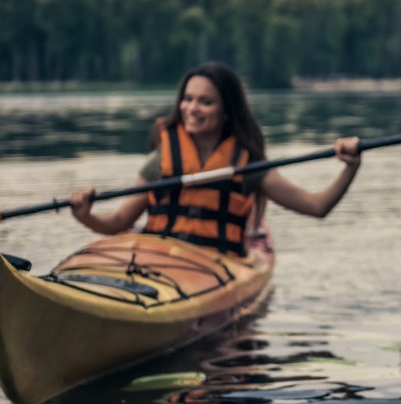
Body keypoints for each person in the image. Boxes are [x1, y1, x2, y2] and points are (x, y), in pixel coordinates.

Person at [69, 62, 361, 259]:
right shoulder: (161, 161)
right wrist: (86, 215)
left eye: (205, 102)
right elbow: (119, 221)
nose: (192, 109)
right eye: (188, 99)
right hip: (156, 260)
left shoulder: (249, 167)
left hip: (216, 265)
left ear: (226, 111)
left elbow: (317, 207)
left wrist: (350, 167)